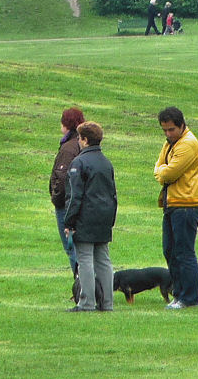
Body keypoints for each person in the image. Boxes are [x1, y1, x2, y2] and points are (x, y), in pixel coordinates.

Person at [154, 107, 198, 310]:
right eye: (164, 130)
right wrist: (161, 172)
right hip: (173, 203)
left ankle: (189, 298)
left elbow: (168, 174)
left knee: (183, 252)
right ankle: (178, 293)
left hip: (187, 204)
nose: (167, 134)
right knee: (169, 250)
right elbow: (158, 167)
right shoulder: (170, 143)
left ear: (182, 125)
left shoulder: (188, 144)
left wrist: (161, 172)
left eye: (171, 129)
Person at [63, 122, 117, 312]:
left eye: (79, 138)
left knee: (85, 258)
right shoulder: (106, 162)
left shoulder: (79, 162)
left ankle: (86, 302)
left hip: (85, 217)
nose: (78, 141)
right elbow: (113, 194)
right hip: (104, 216)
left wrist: (69, 221)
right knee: (103, 259)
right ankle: (107, 303)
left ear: (84, 140)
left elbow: (75, 196)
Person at [50, 107, 84, 275]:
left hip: (66, 204)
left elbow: (62, 179)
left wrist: (56, 197)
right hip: (80, 202)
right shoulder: (82, 143)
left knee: (72, 247)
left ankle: (81, 289)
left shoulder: (68, 148)